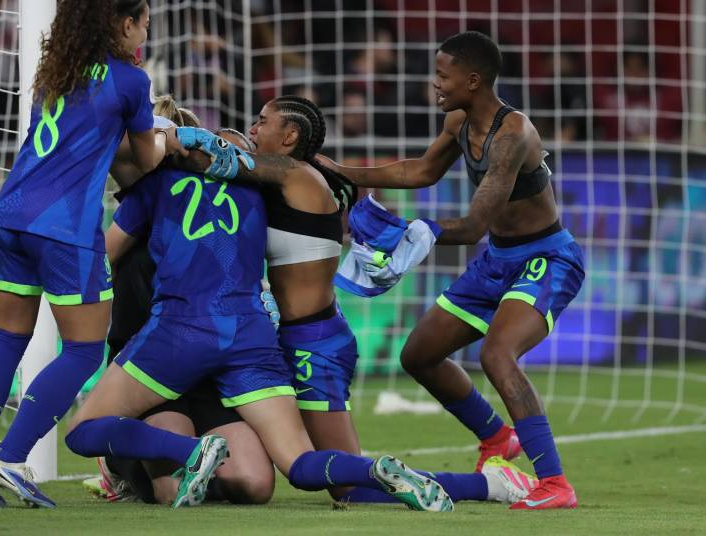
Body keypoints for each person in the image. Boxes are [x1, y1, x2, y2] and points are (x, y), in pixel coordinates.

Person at [64, 124, 453, 512]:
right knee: (298, 462)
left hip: (182, 331)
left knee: (81, 430)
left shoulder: (157, 184)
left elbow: (100, 261)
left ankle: (190, 452)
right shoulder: (264, 194)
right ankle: (373, 470)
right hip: (251, 337)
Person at [179, 95, 537, 507]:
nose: (254, 129)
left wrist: (168, 134)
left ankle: (490, 485)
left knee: (349, 487)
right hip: (286, 338)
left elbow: (219, 160)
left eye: (262, 121)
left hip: (313, 345)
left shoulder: (296, 174)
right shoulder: (286, 180)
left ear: (290, 136)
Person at [318, 31, 585, 510]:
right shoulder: (460, 121)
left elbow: (475, 224)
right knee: (419, 355)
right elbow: (420, 171)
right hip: (498, 259)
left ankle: (555, 483)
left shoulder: (513, 134)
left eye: (443, 75)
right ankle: (497, 438)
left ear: (474, 80)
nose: (436, 84)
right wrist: (344, 172)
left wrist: (412, 234)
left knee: (497, 355)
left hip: (546, 259)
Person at [0, 0, 176, 509]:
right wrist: (169, 137)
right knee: (82, 351)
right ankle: (11, 459)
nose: (145, 34)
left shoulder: (55, 71)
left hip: (9, 213)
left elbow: (81, 139)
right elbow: (145, 160)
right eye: (144, 24)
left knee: (6, 340)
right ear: (124, 24)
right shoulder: (130, 80)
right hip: (64, 227)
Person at [86, 99, 275, 505]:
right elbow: (94, 274)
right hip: (148, 370)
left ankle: (187, 457)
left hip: (207, 371)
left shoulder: (217, 211)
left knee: (254, 484)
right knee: (171, 489)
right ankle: (121, 463)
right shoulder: (136, 217)